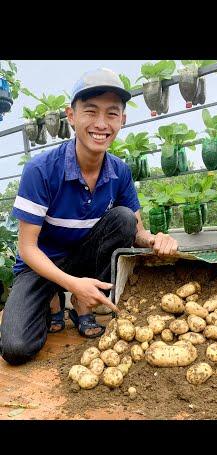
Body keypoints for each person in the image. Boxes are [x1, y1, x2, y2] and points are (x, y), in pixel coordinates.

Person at [0, 67, 179, 366]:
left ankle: (80, 305)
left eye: (111, 113)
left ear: (122, 119)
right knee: (16, 348)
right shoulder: (41, 170)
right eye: (90, 111)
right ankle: (52, 298)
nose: (101, 123)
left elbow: (135, 230)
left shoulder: (119, 171)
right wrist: (70, 282)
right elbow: (27, 248)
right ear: (71, 116)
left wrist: (154, 239)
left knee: (122, 218)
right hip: (40, 266)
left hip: (82, 257)